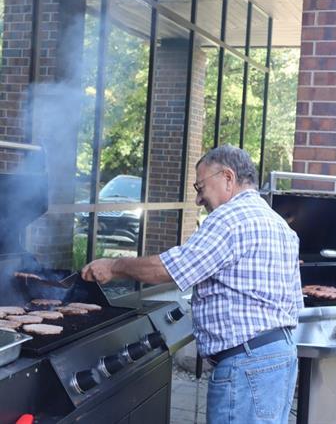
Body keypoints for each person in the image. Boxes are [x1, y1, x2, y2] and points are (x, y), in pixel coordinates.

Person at [82, 145, 303, 424]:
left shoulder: (230, 218)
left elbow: (170, 270)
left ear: (227, 177)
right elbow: (295, 302)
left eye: (200, 187)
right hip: (279, 358)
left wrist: (114, 266)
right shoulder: (278, 224)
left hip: (247, 364)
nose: (199, 200)